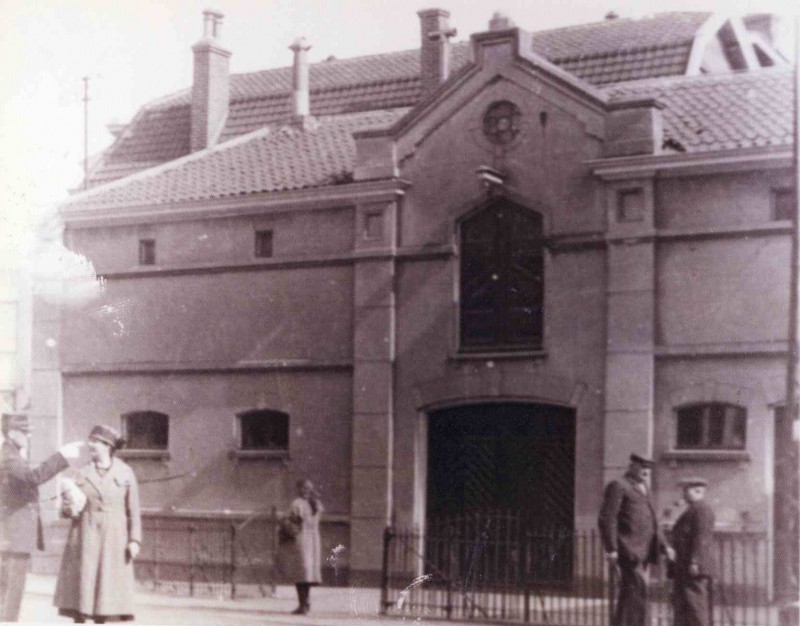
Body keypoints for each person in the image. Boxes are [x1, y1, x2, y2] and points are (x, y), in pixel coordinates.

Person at [0, 412, 84, 622]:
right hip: (13, 539)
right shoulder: (8, 457)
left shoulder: (12, 455)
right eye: (24, 432)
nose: (28, 437)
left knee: (9, 593)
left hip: (13, 538)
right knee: (10, 594)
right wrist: (61, 456)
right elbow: (33, 478)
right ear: (11, 433)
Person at [54, 425, 142, 623]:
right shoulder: (81, 472)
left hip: (115, 540)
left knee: (109, 597)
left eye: (95, 441)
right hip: (85, 537)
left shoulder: (126, 472)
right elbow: (65, 510)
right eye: (90, 440)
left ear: (107, 446)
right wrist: (69, 507)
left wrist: (135, 540)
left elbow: (134, 510)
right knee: (84, 594)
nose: (90, 445)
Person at [598, 453, 674, 626]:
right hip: (628, 550)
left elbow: (653, 522)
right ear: (631, 466)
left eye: (648, 468)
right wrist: (612, 549)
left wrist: (665, 547)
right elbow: (607, 518)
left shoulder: (645, 489)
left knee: (632, 595)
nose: (646, 471)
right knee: (638, 591)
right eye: (642, 467)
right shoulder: (618, 485)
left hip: (644, 552)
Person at [671, 478, 715, 626]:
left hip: (692, 568)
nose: (683, 494)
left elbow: (701, 537)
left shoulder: (702, 510)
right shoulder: (693, 509)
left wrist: (695, 561)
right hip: (685, 567)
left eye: (686, 490)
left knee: (696, 609)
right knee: (685, 609)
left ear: (698, 491)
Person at [279, 479, 323, 615]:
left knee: (300, 572)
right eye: (304, 488)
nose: (305, 491)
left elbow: (293, 522)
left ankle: (303, 604)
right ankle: (305, 602)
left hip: (301, 539)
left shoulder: (297, 503)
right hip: (313, 540)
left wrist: (283, 520)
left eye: (307, 488)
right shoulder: (317, 504)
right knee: (307, 572)